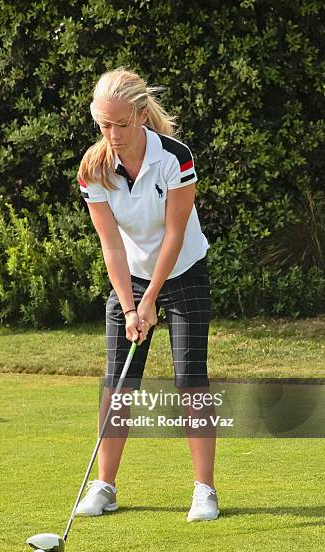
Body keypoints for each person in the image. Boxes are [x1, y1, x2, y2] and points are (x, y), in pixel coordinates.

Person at [76, 68, 219, 522]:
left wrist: (152, 297)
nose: (112, 134)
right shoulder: (93, 169)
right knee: (118, 381)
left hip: (185, 274)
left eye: (120, 124)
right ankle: (105, 487)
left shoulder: (175, 157)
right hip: (131, 280)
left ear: (140, 116)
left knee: (190, 380)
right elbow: (112, 245)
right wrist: (131, 302)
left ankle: (204, 491)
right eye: (103, 124)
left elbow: (175, 232)